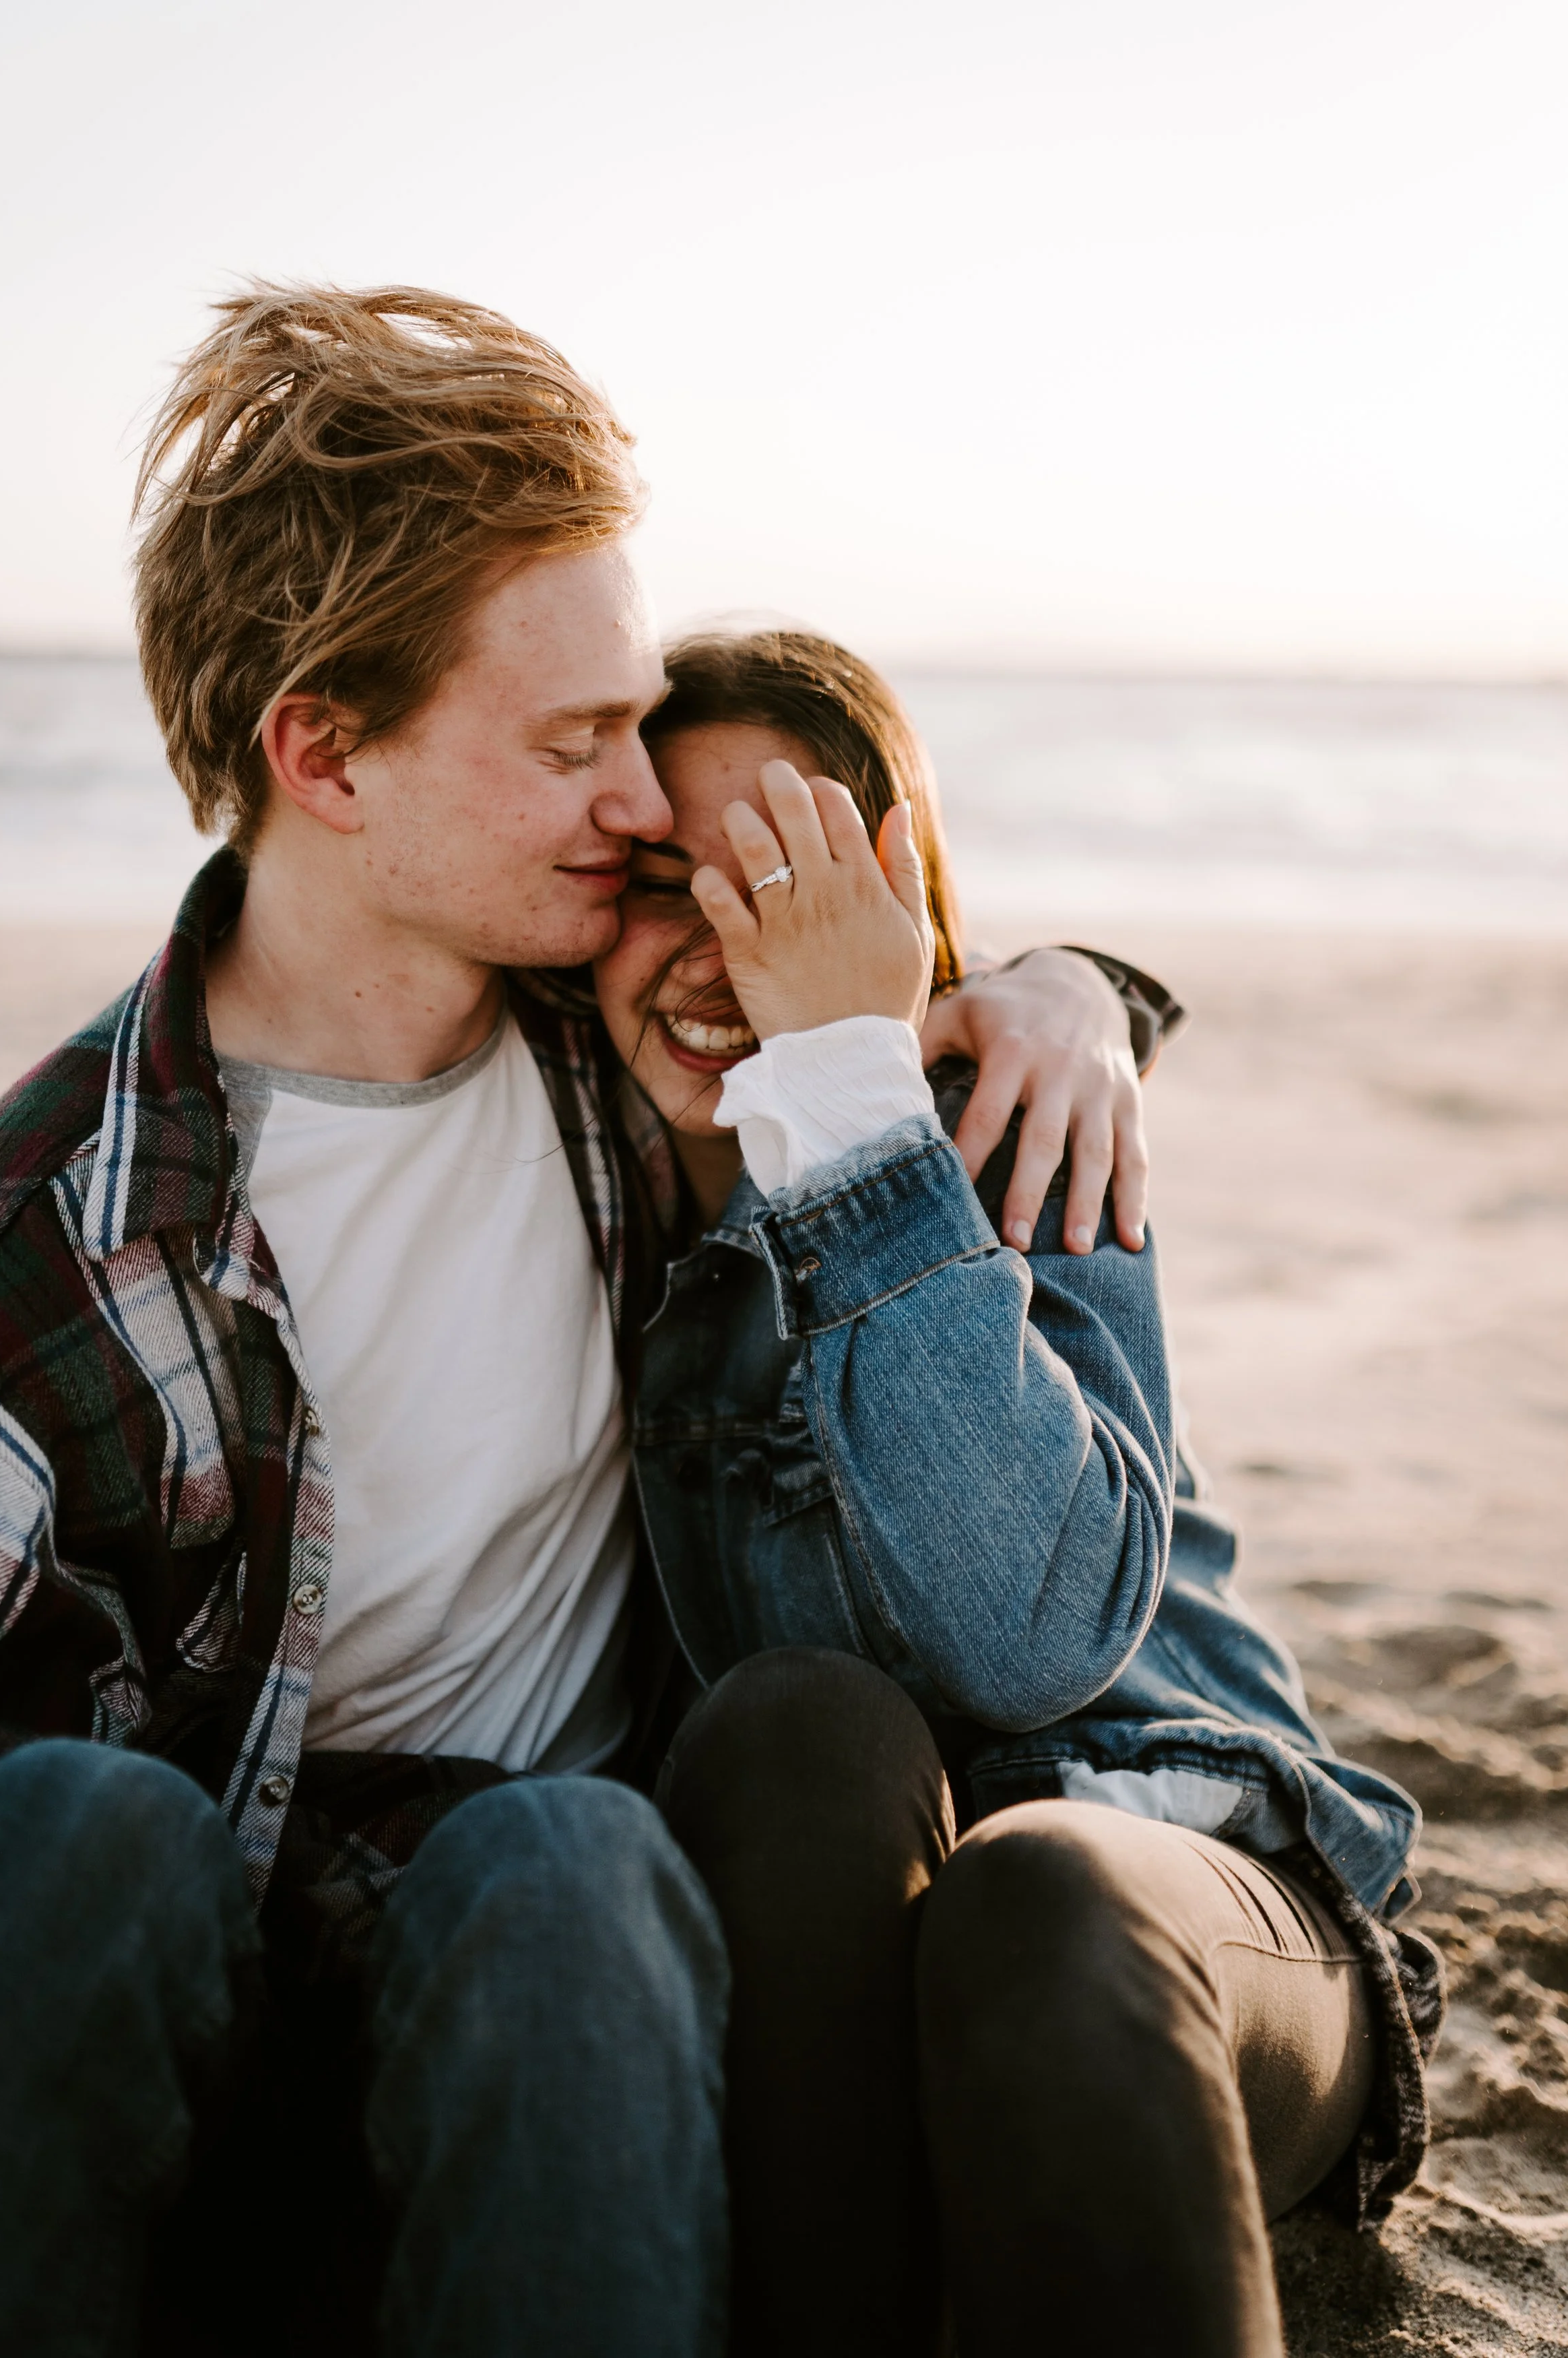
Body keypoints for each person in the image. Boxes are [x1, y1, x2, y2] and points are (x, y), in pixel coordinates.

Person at [0, 285, 1166, 2358]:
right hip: (170, 2015)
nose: (646, 809)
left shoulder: (626, 1072)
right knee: (57, 1824)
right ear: (323, 749)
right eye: (573, 746)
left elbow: (876, 1013)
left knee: (562, 1846)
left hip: (541, 2006)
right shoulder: (62, 1232)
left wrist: (1069, 986)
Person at [578, 627, 1443, 2358]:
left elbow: (1028, 1636)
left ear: (888, 898)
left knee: (1031, 1888)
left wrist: (855, 1098)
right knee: (789, 1724)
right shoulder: (563, 1180)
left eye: (780, 883)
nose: (711, 947)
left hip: (1173, 1915)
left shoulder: (1001, 1123)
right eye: (659, 881)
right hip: (848, 1951)